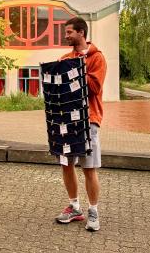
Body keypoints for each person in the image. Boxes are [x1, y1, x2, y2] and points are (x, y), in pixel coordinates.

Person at [54, 16, 106, 232]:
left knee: (89, 167)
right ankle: (75, 206)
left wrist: (76, 69)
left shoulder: (97, 58)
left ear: (81, 33)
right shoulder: (65, 57)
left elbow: (94, 88)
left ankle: (93, 211)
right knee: (66, 164)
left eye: (69, 33)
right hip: (67, 118)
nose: (65, 36)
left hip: (89, 119)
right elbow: (58, 88)